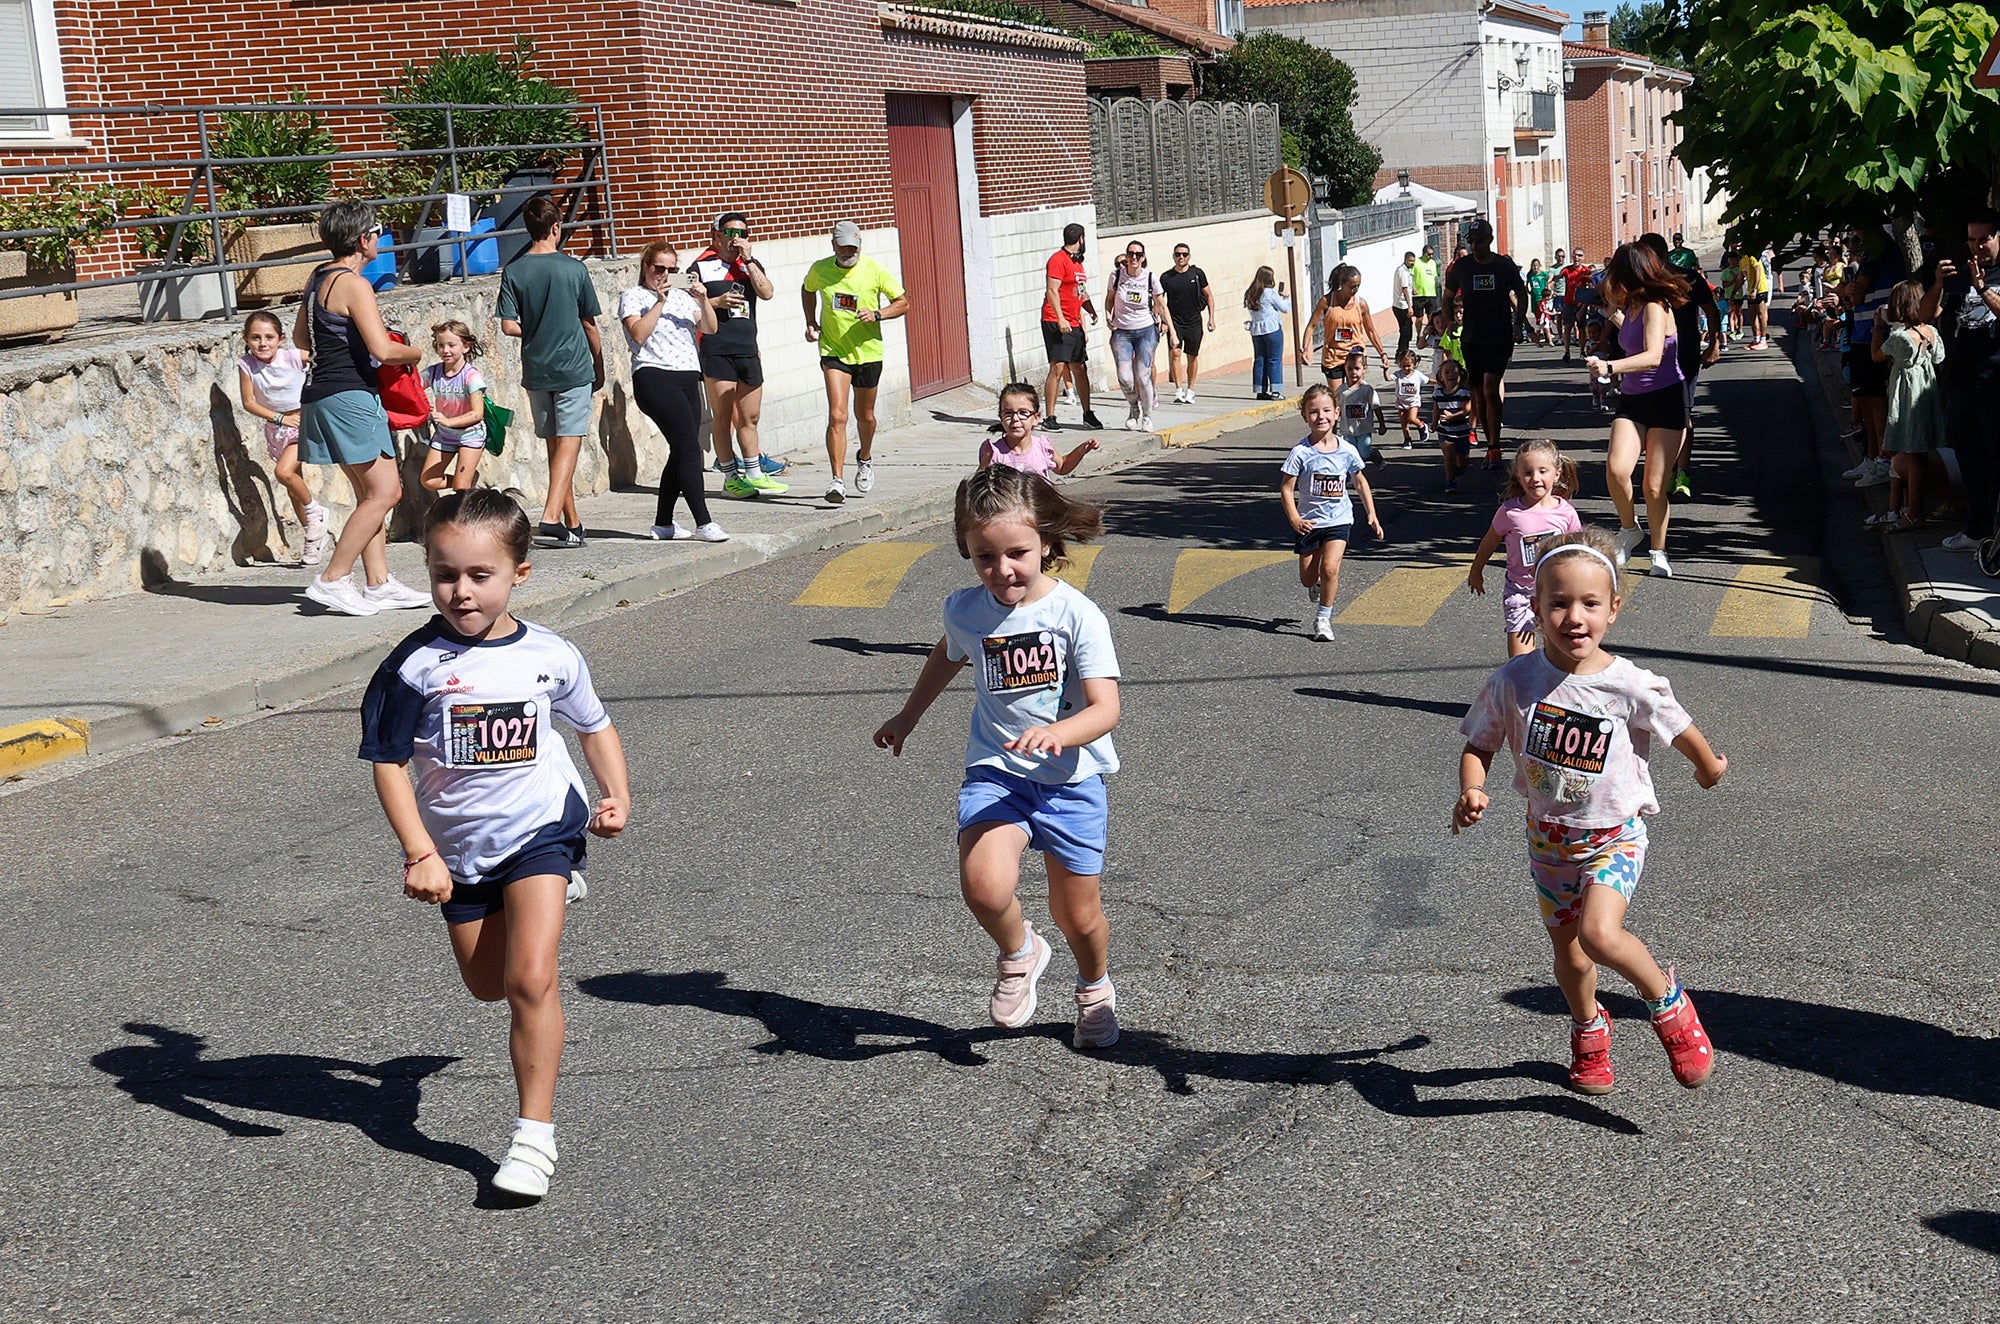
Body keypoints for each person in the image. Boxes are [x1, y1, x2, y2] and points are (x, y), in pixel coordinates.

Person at [360, 487, 631, 1199]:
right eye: (446, 573)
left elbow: (593, 724)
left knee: (529, 980)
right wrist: (421, 851)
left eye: (481, 575)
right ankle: (513, 896)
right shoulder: (411, 668)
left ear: (520, 574)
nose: (461, 591)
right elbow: (388, 763)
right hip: (457, 850)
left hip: (543, 828)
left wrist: (616, 796)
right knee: (487, 985)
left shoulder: (551, 655)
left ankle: (532, 1139)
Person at [1453, 527, 1728, 1097]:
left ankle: (1669, 1005)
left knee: (1601, 935)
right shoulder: (1515, 681)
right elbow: (1479, 743)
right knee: (1571, 956)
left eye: (1590, 604)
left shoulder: (1628, 683)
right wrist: (1472, 789)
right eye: (1558, 603)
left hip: (1615, 836)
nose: (1574, 617)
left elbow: (1678, 726)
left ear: (1614, 610)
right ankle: (1589, 1030)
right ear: (1535, 607)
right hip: (1549, 841)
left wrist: (1708, 767)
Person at [873, 467, 1122, 1049]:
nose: (1002, 570)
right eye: (985, 556)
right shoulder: (965, 610)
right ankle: (1020, 953)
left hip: (1071, 780)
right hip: (997, 771)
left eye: (1017, 552)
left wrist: (1061, 731)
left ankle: (1095, 987)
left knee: (1079, 917)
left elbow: (1106, 709)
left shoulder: (1076, 615)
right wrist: (908, 715)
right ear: (965, 549)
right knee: (984, 887)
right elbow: (949, 655)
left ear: (1047, 544)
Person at [293, 201, 429, 618]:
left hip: (321, 393)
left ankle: (379, 583)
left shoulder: (318, 278)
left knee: (369, 494)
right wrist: (416, 351)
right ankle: (333, 578)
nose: (379, 237)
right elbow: (383, 350)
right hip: (351, 397)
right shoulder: (355, 284)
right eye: (376, 231)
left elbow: (301, 336)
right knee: (388, 492)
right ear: (362, 239)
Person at [497, 197, 604, 549]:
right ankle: (551, 515)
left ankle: (573, 525)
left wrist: (536, 329)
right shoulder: (574, 269)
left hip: (537, 368)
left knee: (556, 448)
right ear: (556, 227)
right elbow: (589, 323)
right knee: (570, 442)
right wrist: (598, 363)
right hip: (573, 366)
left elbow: (509, 326)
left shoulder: (514, 271)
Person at [1591, 242, 1689, 578]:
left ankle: (1658, 551)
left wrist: (1610, 367)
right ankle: (1630, 528)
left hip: (1666, 400)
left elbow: (1653, 356)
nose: (1610, 280)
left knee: (1653, 485)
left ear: (1630, 274)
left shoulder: (1654, 306)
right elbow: (1633, 335)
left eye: (1615, 273)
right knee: (1617, 470)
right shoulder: (1632, 306)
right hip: (1633, 401)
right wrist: (1611, 315)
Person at [620, 240, 727, 543]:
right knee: (689, 449)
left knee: (682, 449)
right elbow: (638, 333)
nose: (664, 274)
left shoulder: (683, 298)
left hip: (687, 378)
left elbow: (710, 327)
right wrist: (659, 301)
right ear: (646, 267)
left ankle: (663, 523)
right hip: (654, 376)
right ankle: (704, 522)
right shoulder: (634, 296)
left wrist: (703, 299)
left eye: (672, 269)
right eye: (659, 268)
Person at [804, 220, 910, 504]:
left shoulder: (874, 270)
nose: (848, 252)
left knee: (866, 416)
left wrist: (877, 314)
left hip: (868, 353)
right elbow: (807, 289)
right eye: (843, 247)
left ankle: (864, 457)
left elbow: (903, 302)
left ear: (860, 246)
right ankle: (836, 480)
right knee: (838, 415)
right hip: (834, 351)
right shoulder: (821, 269)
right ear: (834, 245)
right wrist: (811, 322)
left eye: (853, 247)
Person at [1919, 209, 2000, 553]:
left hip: (1996, 384)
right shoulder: (1960, 275)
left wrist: (1982, 289)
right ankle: (1975, 529)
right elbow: (1924, 316)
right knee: (1970, 458)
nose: (1977, 246)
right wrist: (1938, 283)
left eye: (1984, 238)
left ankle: (1994, 535)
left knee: (1997, 461)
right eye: (1972, 239)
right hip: (1963, 383)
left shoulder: (1988, 276)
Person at [693, 211, 788, 500]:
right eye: (731, 233)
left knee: (751, 416)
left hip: (747, 348)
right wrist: (717, 301)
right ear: (718, 235)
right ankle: (731, 478)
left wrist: (748, 260)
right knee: (723, 416)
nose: (737, 239)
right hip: (717, 348)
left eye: (743, 233)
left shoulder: (749, 265)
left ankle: (755, 473)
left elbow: (767, 292)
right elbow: (689, 309)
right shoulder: (701, 266)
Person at [1280, 383, 1382, 642]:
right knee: (1307, 578)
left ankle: (1323, 619)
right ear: (1305, 416)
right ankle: (1316, 587)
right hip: (1309, 523)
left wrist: (1371, 513)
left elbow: (1359, 481)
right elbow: (1286, 488)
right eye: (1313, 412)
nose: (1320, 416)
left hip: (1339, 519)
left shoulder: (1347, 450)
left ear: (1337, 413)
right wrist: (1294, 518)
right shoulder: (1300, 452)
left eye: (1326, 410)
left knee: (1330, 569)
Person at [1467, 439, 1583, 657]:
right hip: (1520, 592)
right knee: (1520, 663)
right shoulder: (1510, 512)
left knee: (1559, 658)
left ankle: (1551, 691)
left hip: (1556, 593)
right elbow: (1490, 541)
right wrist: (1476, 570)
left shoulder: (1566, 513)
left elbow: (1578, 552)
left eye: (1543, 471)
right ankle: (1526, 691)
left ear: (1556, 474)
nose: (1535, 478)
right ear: (1518, 477)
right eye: (1528, 472)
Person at [237, 310, 326, 564]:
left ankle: (315, 512)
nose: (263, 343)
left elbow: (324, 361)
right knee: (292, 486)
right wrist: (278, 418)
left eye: (269, 337)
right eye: (256, 338)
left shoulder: (293, 357)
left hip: (302, 422)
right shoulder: (247, 365)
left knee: (283, 472)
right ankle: (312, 540)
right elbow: (248, 402)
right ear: (246, 338)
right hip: (276, 428)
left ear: (281, 339)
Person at [1637, 234, 1721, 500]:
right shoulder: (1644, 284)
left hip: (1684, 354)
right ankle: (1666, 469)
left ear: (1659, 254)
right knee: (1657, 415)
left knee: (1683, 412)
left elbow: (1711, 310)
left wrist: (1714, 345)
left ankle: (1682, 471)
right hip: (1651, 356)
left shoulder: (1688, 278)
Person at [1443, 218, 1529, 470]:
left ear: (1490, 240)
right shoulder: (1461, 267)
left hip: (1499, 336)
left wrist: (1519, 322)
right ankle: (1489, 440)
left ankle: (1495, 446)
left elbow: (1521, 293)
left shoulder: (1504, 266)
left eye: (1479, 241)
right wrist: (1449, 321)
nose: (1475, 246)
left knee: (1491, 388)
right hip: (1472, 338)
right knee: (1478, 393)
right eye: (1471, 242)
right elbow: (1447, 296)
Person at [1870, 278, 1946, 534]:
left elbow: (1877, 356)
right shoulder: (1930, 332)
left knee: (1912, 455)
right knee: (1920, 454)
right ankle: (1912, 509)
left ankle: (1913, 513)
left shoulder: (1901, 337)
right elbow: (1939, 357)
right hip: (1928, 393)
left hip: (1907, 395)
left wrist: (1878, 328)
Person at [1839, 230, 1902, 495]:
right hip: (1861, 330)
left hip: (1876, 330)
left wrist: (1852, 292)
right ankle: (1871, 456)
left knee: (1876, 401)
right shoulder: (1871, 250)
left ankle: (1883, 460)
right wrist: (1850, 291)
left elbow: (1854, 294)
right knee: (1863, 397)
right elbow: (1848, 292)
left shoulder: (1878, 247)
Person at [1040, 223, 1103, 431]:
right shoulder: (1058, 260)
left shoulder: (1078, 264)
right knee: (1058, 366)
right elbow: (1052, 290)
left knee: (1079, 367)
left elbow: (1081, 292)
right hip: (1056, 321)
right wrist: (1061, 319)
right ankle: (1049, 416)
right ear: (1081, 239)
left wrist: (1091, 310)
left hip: (1075, 321)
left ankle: (1087, 413)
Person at [419, 321, 489, 494]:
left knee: (461, 489)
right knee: (429, 480)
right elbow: (413, 389)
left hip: (470, 435)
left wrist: (449, 421)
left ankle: (464, 484)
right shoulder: (433, 372)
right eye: (441, 345)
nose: (445, 350)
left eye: (451, 345)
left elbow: (477, 414)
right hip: (445, 435)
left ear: (465, 346)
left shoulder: (471, 376)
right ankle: (466, 480)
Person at [1105, 240, 1167, 432]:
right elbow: (1109, 300)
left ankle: (1147, 416)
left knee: (1143, 375)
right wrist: (1108, 314)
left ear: (1143, 258)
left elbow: (1161, 305)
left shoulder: (1150, 278)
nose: (1134, 257)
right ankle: (1134, 408)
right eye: (1130, 254)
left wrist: (1169, 328)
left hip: (1145, 330)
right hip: (1122, 331)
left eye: (1138, 254)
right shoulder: (1116, 276)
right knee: (1125, 377)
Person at [979, 383, 1098, 478]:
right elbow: (979, 486)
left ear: (1036, 418)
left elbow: (1062, 466)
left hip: (1040, 507)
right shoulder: (994, 452)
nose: (1015, 419)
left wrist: (1081, 450)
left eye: (1023, 413)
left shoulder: (1042, 447)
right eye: (1008, 413)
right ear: (1001, 417)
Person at [1301, 263, 1390, 385]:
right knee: (1338, 397)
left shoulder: (1361, 304)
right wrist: (1305, 349)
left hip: (1355, 355)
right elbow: (1312, 326)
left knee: (1354, 396)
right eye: (1352, 286)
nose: (1355, 290)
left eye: (1358, 286)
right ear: (1342, 284)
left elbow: (1371, 331)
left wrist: (1382, 353)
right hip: (1333, 356)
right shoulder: (1327, 302)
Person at [1162, 243, 1216, 404]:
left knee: (1192, 356)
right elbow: (1159, 301)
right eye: (1178, 254)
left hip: (1193, 321)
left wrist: (1211, 318)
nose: (1181, 257)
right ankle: (1178, 390)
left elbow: (1209, 296)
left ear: (1189, 256)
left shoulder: (1197, 274)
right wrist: (1162, 321)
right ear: (1173, 256)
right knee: (1175, 353)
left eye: (1184, 254)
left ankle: (1190, 390)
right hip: (1175, 322)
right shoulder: (1166, 277)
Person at [1245, 267, 1290, 400]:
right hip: (1272, 328)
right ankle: (1276, 390)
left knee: (1260, 359)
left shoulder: (1251, 293)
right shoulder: (1270, 293)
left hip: (1256, 330)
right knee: (1274, 359)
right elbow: (1284, 308)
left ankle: (1260, 390)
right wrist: (1286, 297)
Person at [1432, 358, 1474, 493]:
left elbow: (1466, 410)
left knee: (1463, 461)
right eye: (1447, 372)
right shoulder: (1438, 393)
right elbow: (1436, 408)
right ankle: (1450, 482)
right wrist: (1434, 423)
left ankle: (1457, 469)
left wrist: (1452, 416)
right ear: (1441, 376)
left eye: (1454, 372)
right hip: (1444, 431)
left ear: (1460, 375)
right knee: (1449, 454)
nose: (1451, 375)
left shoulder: (1463, 393)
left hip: (1461, 431)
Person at [1335, 346, 1380, 463]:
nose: (1353, 372)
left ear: (1364, 369)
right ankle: (1352, 479)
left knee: (1363, 454)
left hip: (1364, 429)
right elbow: (1336, 409)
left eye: (1357, 368)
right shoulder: (1341, 390)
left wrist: (1382, 423)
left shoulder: (1367, 389)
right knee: (1351, 455)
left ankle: (1373, 454)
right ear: (1345, 369)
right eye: (1349, 369)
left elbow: (1376, 406)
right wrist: (1333, 426)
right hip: (1347, 430)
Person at [1558, 248, 1594, 363]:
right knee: (1567, 327)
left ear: (1583, 257)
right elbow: (1558, 276)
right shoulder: (1567, 270)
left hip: (1580, 303)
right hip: (1568, 302)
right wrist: (1551, 283)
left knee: (1581, 328)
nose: (1577, 258)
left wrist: (1586, 305)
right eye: (1575, 255)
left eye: (1579, 255)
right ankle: (1567, 352)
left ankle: (1582, 351)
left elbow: (1590, 287)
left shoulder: (1586, 271)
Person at [1391, 348, 1430, 448]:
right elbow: (1388, 378)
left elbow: (1428, 380)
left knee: (1412, 418)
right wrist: (1385, 370)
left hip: (1413, 401)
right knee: (1404, 423)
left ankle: (1421, 425)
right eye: (1403, 366)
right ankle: (1407, 440)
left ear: (1414, 364)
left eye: (1408, 366)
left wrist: (1441, 382)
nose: (1406, 368)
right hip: (1401, 401)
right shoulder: (1398, 374)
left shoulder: (1417, 375)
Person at [1737, 243, 1771, 348]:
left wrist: (1755, 289)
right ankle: (1756, 338)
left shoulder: (1753, 257)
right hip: (1750, 290)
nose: (1738, 249)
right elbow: (1740, 277)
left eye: (1740, 247)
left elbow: (1757, 271)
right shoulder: (1742, 261)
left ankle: (1763, 340)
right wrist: (1734, 293)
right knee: (1752, 314)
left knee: (1761, 313)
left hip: (1760, 288)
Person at [1412, 245, 1441, 349]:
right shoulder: (1416, 262)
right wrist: (1413, 287)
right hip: (1419, 294)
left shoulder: (1433, 263)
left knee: (1431, 316)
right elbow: (1411, 276)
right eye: (1429, 254)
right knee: (1419, 318)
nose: (1431, 256)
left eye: (1432, 254)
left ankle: (1432, 333)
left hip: (1431, 293)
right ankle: (1419, 335)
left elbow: (1435, 277)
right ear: (1424, 253)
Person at [1391, 251, 1418, 359]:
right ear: (1405, 260)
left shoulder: (1406, 271)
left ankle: (1402, 351)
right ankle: (1402, 353)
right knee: (1406, 332)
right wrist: (1410, 306)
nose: (1412, 263)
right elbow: (1405, 289)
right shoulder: (1402, 271)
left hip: (1402, 305)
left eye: (1413, 261)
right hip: (1402, 306)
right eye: (1410, 261)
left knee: (1406, 330)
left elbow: (1409, 287)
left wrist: (1414, 289)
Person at [1525, 259, 1552, 346]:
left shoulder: (1543, 274)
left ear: (1539, 265)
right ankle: (1539, 338)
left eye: (1537, 265)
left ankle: (1548, 337)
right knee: (1538, 319)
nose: (1535, 267)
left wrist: (1548, 291)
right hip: (1534, 298)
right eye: (1534, 266)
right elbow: (1527, 285)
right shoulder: (1530, 275)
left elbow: (1549, 281)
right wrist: (1529, 291)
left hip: (1543, 298)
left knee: (1546, 317)